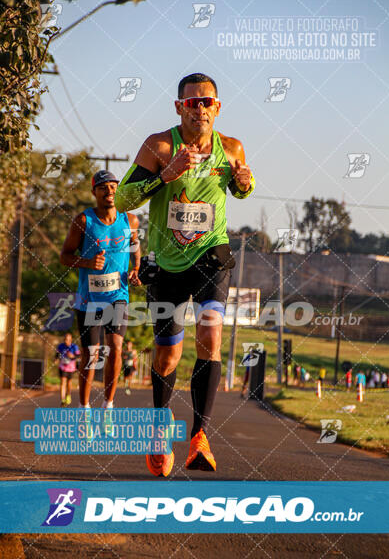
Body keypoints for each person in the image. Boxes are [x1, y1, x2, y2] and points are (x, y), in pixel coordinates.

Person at [115, 72, 255, 476]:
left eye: (206, 102)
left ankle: (200, 437)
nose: (200, 109)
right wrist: (165, 176)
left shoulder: (231, 148)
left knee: (211, 334)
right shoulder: (158, 146)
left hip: (211, 254)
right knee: (169, 352)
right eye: (191, 103)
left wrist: (245, 182)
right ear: (179, 107)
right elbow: (124, 198)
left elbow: (243, 187)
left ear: (218, 106)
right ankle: (160, 428)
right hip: (166, 262)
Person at [60, 170, 141, 410]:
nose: (110, 192)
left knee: (116, 347)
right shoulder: (83, 221)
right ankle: (84, 408)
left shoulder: (130, 220)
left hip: (118, 296)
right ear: (94, 192)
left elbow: (135, 245)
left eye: (114, 187)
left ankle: (108, 404)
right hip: (89, 299)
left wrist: (136, 267)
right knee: (90, 356)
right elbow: (64, 256)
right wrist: (87, 262)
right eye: (104, 188)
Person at [55, 332, 80, 406]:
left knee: (69, 383)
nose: (66, 341)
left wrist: (73, 356)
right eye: (65, 339)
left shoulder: (74, 347)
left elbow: (78, 356)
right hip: (62, 367)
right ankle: (62, 400)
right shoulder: (60, 346)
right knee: (63, 382)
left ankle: (68, 395)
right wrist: (56, 359)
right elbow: (57, 354)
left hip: (71, 368)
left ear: (71, 340)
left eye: (68, 339)